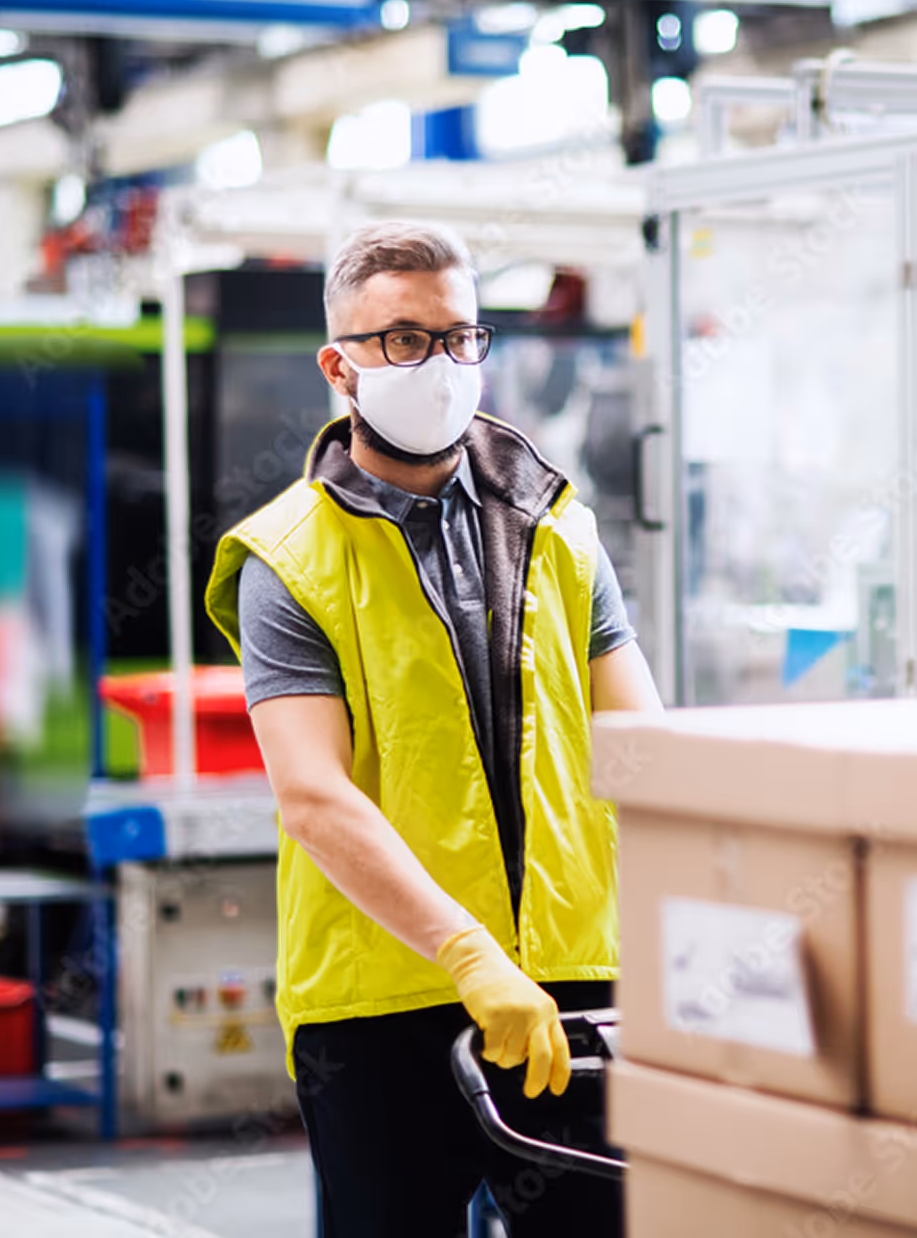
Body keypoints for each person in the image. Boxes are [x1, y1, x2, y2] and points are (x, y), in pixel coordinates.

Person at [204, 221, 662, 1236]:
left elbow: (645, 748)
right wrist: (466, 953)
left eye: (460, 338)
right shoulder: (290, 558)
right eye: (404, 341)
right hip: (380, 1007)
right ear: (340, 367)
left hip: (570, 990)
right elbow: (313, 796)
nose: (441, 364)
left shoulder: (561, 529)